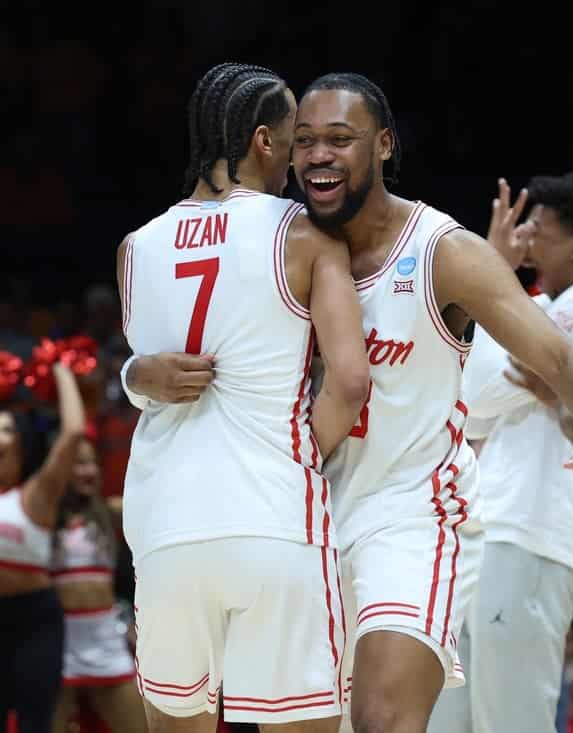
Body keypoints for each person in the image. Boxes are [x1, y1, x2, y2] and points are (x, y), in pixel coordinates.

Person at [290, 73, 573, 733]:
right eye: (304, 140)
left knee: (382, 719)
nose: (319, 155)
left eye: (339, 138)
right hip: (302, 517)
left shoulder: (442, 250)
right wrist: (144, 373)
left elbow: (559, 355)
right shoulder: (284, 244)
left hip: (408, 516)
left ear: (383, 144)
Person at [118, 62, 371, 732]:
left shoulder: (134, 248)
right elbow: (349, 381)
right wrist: (299, 454)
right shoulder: (304, 233)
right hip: (274, 519)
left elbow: (147, 375)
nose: (302, 155)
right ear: (264, 140)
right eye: (295, 137)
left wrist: (134, 376)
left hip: (166, 528)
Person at [428, 172, 573, 733]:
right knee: (455, 718)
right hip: (499, 527)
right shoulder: (537, 305)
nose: (524, 240)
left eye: (538, 231)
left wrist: (493, 272)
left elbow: (480, 393)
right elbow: (470, 401)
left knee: (512, 718)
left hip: (539, 532)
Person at [1, 363, 85, 733]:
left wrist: (61, 368)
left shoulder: (35, 493)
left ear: (20, 441)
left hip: (33, 620)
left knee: (35, 723)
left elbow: (73, 432)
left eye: (6, 428)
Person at [51, 435, 144, 733]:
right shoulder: (43, 515)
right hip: (58, 645)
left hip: (105, 643)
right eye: (79, 463)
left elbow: (154, 505)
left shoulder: (108, 510)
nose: (88, 470)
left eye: (92, 463)